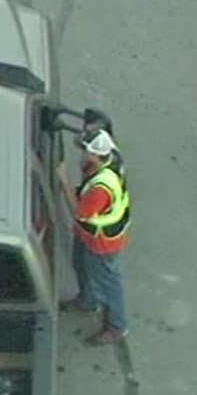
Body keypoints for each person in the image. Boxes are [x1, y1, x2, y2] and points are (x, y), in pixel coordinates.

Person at [56, 128, 131, 346]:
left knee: (107, 282)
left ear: (96, 155)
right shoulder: (111, 159)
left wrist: (64, 181)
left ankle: (116, 325)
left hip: (102, 241)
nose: (82, 154)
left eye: (85, 151)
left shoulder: (101, 188)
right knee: (81, 265)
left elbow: (79, 212)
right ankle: (88, 301)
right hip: (89, 234)